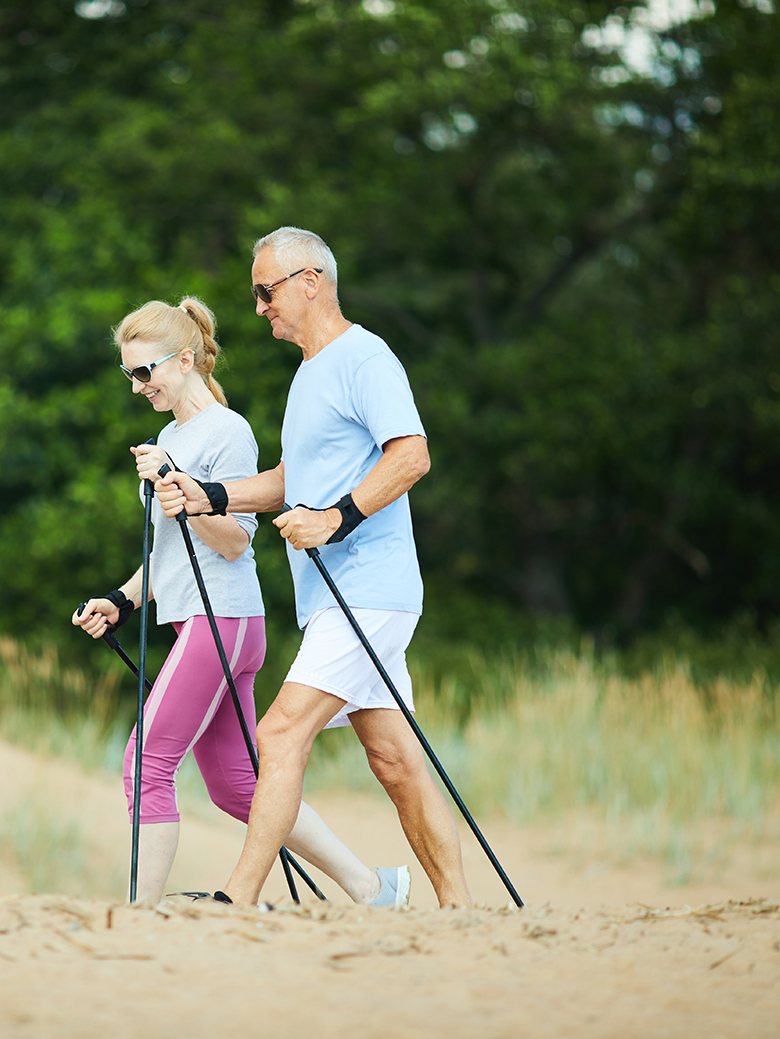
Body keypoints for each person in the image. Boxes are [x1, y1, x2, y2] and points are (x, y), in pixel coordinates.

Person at [155, 228, 473, 908]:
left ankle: (238, 899)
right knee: (393, 759)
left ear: (311, 281)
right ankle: (461, 912)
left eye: (265, 292)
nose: (260, 307)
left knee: (277, 731)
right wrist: (209, 494)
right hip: (341, 598)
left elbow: (411, 455)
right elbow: (290, 481)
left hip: (369, 589)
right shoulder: (309, 375)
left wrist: (336, 517)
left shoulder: (364, 357)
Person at [73, 296, 409, 907]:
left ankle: (139, 917)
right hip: (201, 622)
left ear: (184, 361)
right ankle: (372, 887)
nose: (136, 386)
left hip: (221, 620)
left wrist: (182, 484)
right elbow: (170, 555)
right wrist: (120, 600)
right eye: (129, 375)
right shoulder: (171, 436)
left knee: (145, 764)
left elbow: (231, 541)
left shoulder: (227, 431)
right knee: (236, 786)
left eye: (143, 372)